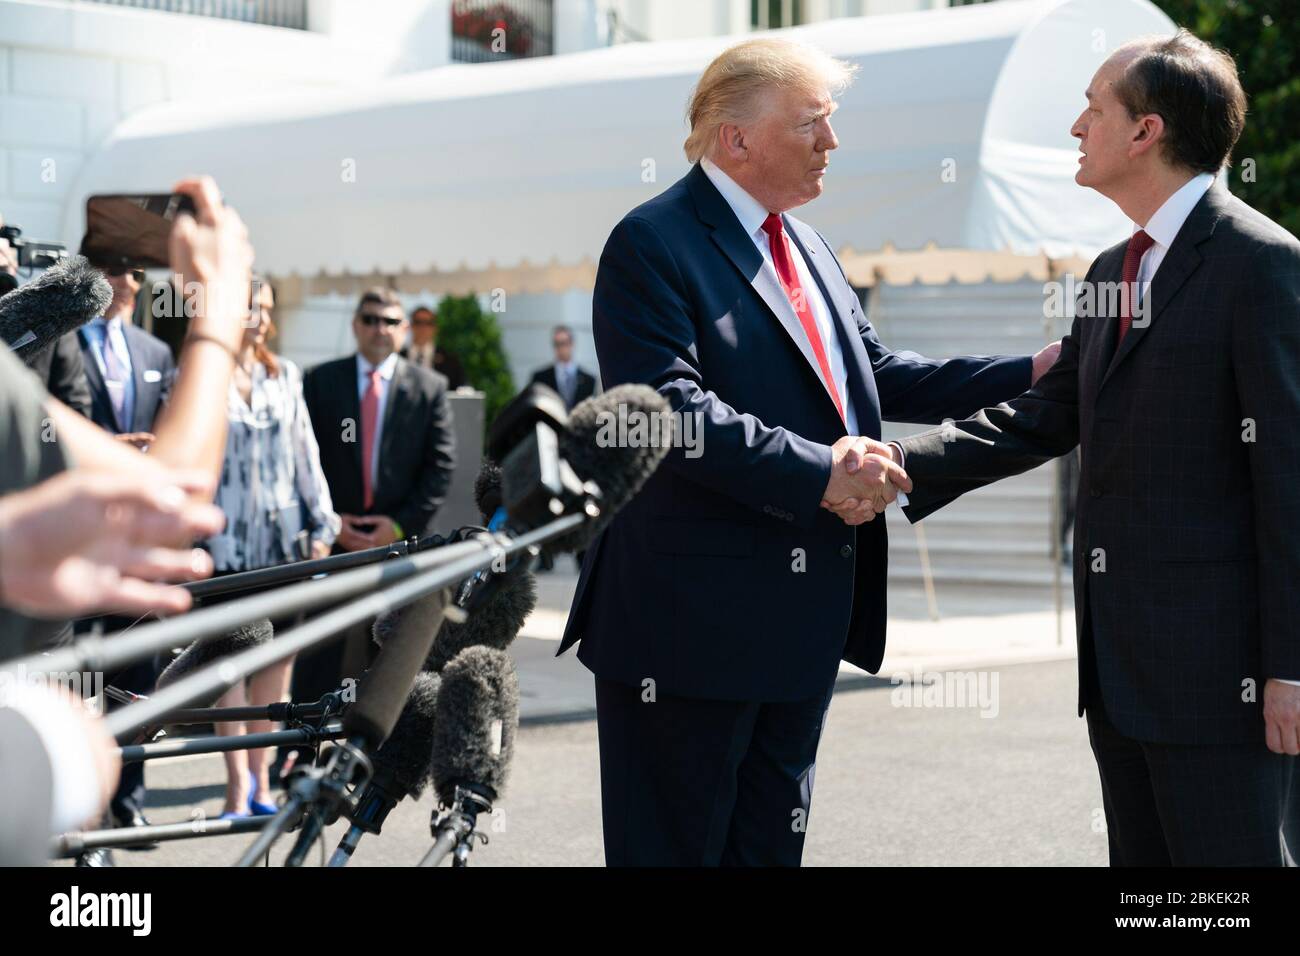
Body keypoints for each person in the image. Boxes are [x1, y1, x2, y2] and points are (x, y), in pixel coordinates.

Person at [558, 38, 1057, 866]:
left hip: (799, 626)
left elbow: (875, 373)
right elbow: (667, 413)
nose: (833, 143)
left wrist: (1026, 370)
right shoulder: (651, 242)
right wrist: (819, 471)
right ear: (737, 139)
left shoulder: (810, 246)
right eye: (813, 124)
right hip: (686, 630)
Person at [875, 31, 1300, 866]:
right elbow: (1045, 412)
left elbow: (1290, 479)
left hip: (1226, 686)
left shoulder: (1263, 265)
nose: (1076, 127)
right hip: (1119, 682)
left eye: (1094, 107)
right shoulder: (1112, 265)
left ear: (1146, 131)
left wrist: (1291, 669)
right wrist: (898, 467)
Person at [198, 278, 339, 818]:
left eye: (266, 308)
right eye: (250, 304)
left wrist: (323, 523)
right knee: (227, 666)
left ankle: (260, 778)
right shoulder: (204, 374)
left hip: (284, 543)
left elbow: (307, 452)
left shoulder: (286, 375)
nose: (258, 315)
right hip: (224, 544)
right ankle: (235, 784)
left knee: (276, 660)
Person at [297, 288, 456, 702]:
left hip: (399, 548)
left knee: (388, 668)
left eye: (389, 321)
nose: (378, 329)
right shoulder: (319, 381)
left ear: (404, 330)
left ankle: (377, 759)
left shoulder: (430, 387)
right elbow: (301, 460)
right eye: (369, 319)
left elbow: (440, 469)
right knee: (319, 656)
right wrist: (331, 522)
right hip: (334, 545)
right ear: (355, 326)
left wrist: (399, 525)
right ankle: (298, 754)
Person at [77, 265, 174, 450]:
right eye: (115, 271)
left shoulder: (156, 352)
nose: (127, 283)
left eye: (136, 275)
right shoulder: (57, 341)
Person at [529, 324, 597, 412]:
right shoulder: (540, 378)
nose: (561, 348)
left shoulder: (589, 380)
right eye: (557, 344)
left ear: (571, 344)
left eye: (564, 343)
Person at [401, 304, 467, 389]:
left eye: (428, 323)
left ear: (435, 327)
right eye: (418, 322)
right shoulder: (398, 356)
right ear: (411, 326)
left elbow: (462, 388)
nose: (423, 327)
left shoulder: (449, 359)